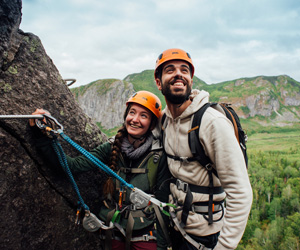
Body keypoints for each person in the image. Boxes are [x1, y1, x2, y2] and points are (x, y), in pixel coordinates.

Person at [29, 91, 171, 250]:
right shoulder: (111, 148)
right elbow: (72, 166)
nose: (135, 119)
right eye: (132, 112)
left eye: (143, 115)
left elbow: (162, 204)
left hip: (146, 235)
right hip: (113, 231)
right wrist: (41, 135)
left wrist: (161, 246)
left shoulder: (159, 156)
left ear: (152, 123)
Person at [154, 48, 253, 250]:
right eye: (170, 70)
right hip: (175, 225)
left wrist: (224, 247)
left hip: (206, 236)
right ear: (158, 82)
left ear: (190, 79)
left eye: (184, 70)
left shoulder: (211, 123)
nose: (178, 74)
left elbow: (241, 193)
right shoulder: (165, 119)